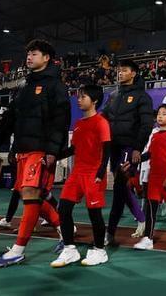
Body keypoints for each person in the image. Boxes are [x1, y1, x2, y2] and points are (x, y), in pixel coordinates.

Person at [0, 39, 70, 268]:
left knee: (32, 193)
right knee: (31, 196)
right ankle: (66, 232)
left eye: (34, 53)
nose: (29, 57)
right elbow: (10, 119)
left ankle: (18, 250)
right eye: (28, 54)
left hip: (42, 149)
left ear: (46, 58)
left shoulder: (56, 86)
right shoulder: (24, 86)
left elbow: (61, 121)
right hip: (23, 149)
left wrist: (53, 150)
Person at [50, 85, 110, 267]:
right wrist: (55, 155)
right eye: (78, 97)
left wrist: (101, 172)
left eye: (83, 97)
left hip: (94, 173)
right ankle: (70, 249)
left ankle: (100, 251)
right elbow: (74, 149)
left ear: (95, 101)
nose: (79, 100)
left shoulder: (101, 122)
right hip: (77, 173)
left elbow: (107, 149)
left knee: (94, 213)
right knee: (63, 209)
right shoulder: (78, 124)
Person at [101, 59, 153, 247]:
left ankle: (110, 232)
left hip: (129, 147)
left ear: (134, 73)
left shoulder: (142, 97)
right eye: (119, 70)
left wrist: (138, 147)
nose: (120, 73)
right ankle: (141, 219)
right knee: (121, 188)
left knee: (119, 187)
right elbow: (103, 118)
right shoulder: (113, 95)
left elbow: (146, 124)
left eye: (124, 70)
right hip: (113, 147)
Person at [133, 104, 166, 250]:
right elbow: (150, 154)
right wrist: (136, 159)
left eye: (164, 114)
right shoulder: (155, 136)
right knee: (151, 207)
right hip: (154, 177)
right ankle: (148, 238)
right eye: (158, 114)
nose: (160, 116)